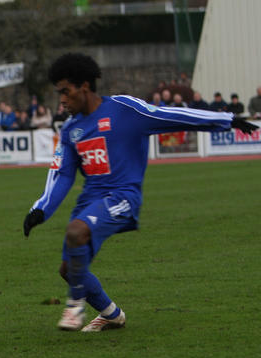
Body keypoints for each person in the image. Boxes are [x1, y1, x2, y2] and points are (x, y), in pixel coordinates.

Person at [22, 53, 258, 332]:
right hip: (90, 201)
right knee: (70, 270)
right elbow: (62, 174)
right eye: (59, 93)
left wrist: (226, 119)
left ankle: (75, 306)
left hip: (123, 196)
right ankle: (112, 314)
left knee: (75, 232)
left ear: (84, 86)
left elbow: (172, 116)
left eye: (65, 91)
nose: (61, 100)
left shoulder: (124, 109)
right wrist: (41, 209)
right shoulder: (71, 129)